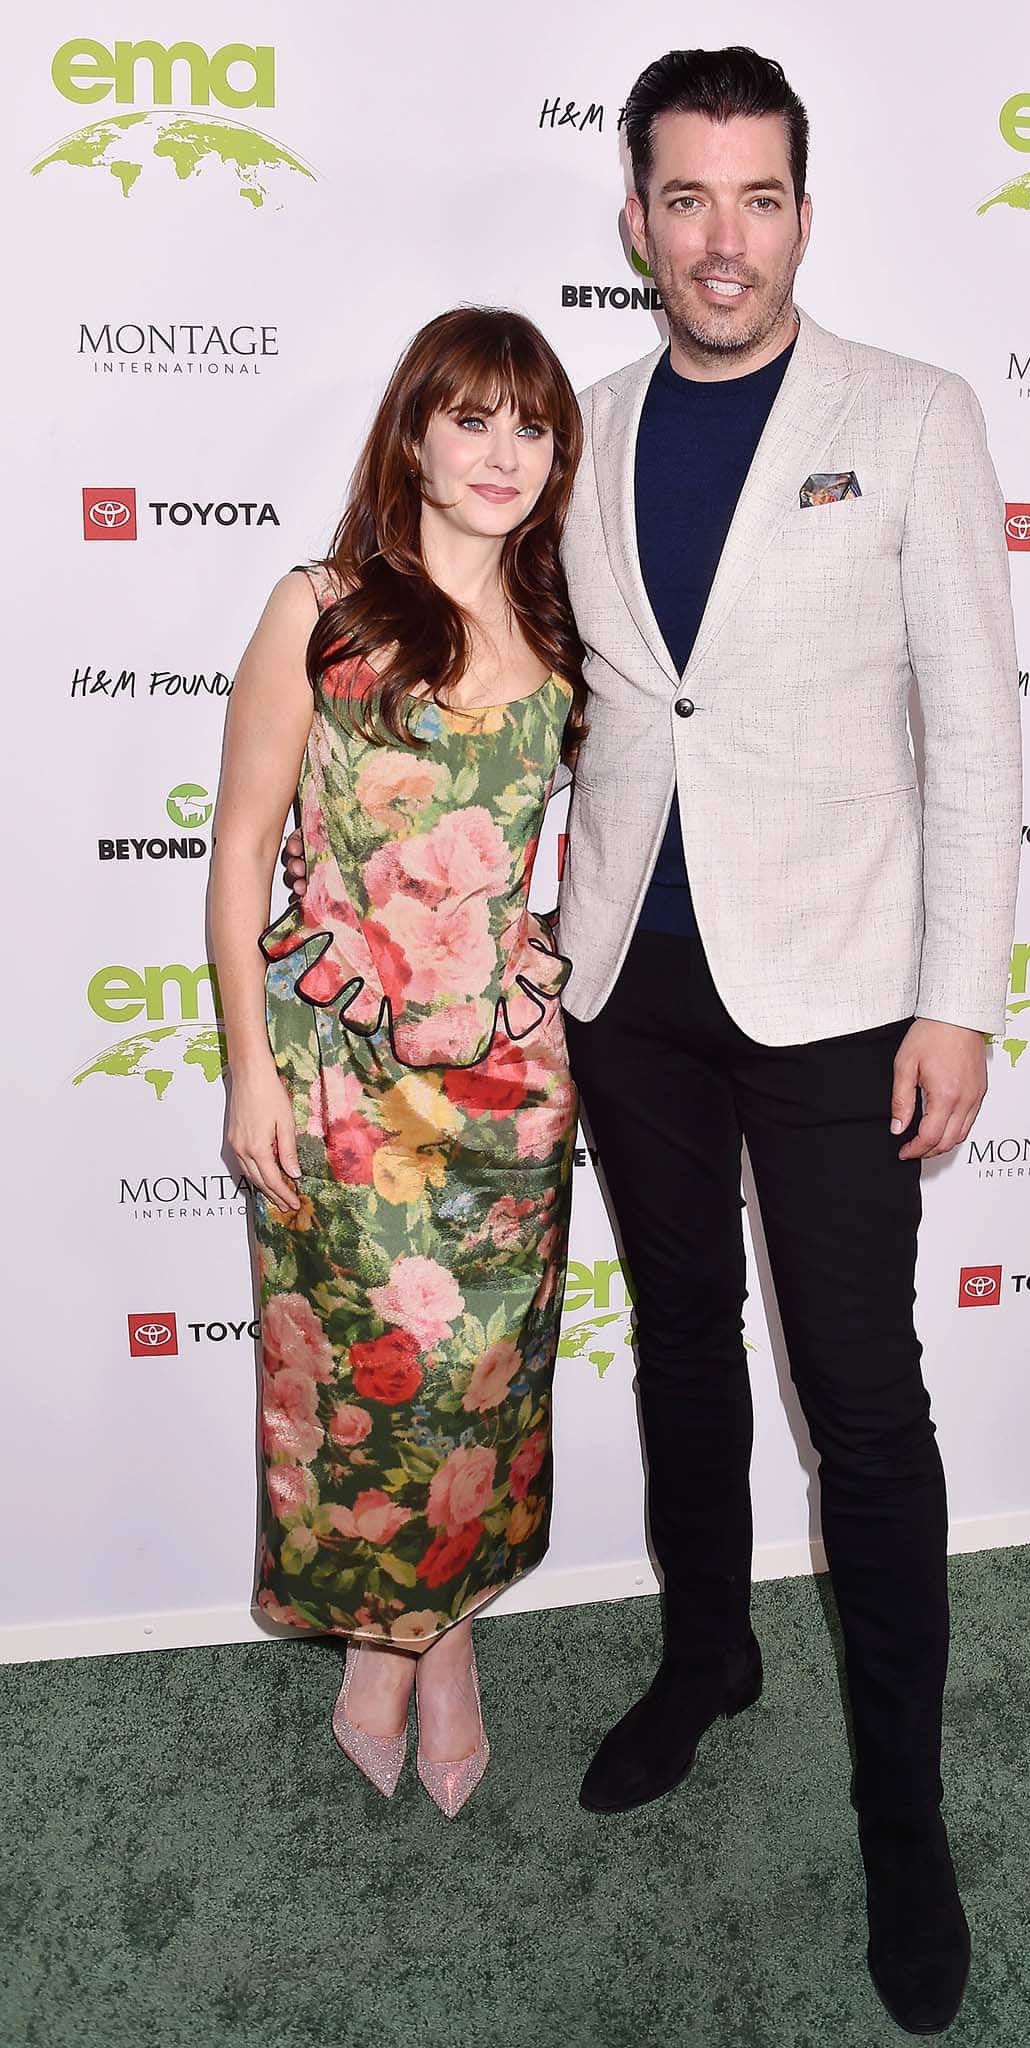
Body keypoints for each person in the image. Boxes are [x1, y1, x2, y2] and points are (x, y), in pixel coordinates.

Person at [283, 46, 1020, 2029]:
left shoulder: (915, 418)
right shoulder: (580, 436)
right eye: (684, 197)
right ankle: (707, 1656)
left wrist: (961, 995)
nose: (721, 235)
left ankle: (904, 1817)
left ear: (802, 213)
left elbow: (977, 735)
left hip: (846, 992)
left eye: (757, 196)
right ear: (634, 219)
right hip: (627, 992)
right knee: (683, 1348)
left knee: (862, 1403)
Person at [211, 307, 584, 1816]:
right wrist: (248, 1071)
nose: (504, 453)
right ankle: (414, 1646)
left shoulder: (570, 630)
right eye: (474, 418)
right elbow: (241, 851)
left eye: (534, 426)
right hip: (340, 1081)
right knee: (371, 1390)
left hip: (509, 1079)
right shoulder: (322, 609)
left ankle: (432, 1641)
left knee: (483, 1388)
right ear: (414, 435)